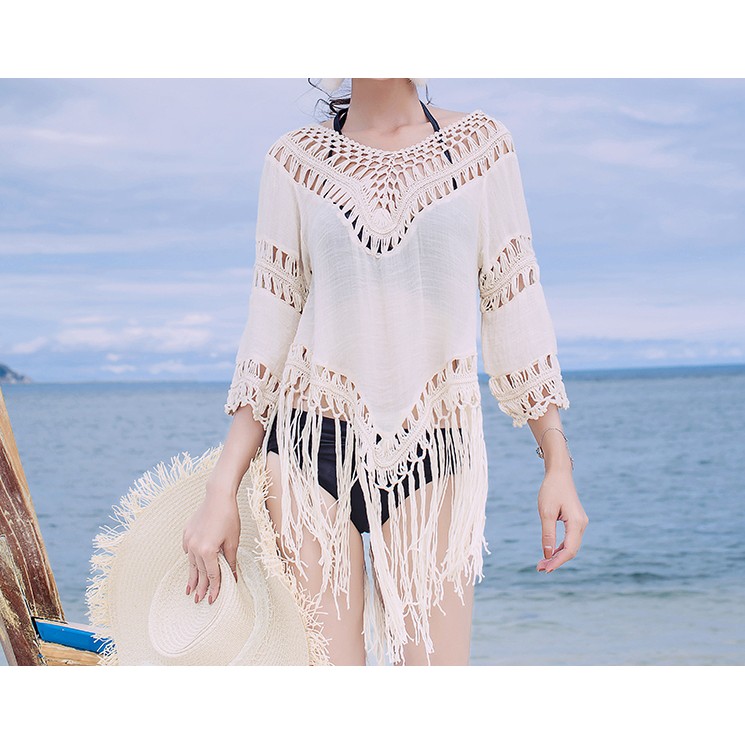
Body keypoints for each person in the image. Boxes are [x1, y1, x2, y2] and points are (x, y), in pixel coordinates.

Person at [182, 78, 589, 666]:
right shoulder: (295, 161)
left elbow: (514, 305)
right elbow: (268, 332)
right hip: (307, 446)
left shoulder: (481, 149)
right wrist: (220, 490)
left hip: (434, 446)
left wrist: (558, 466)